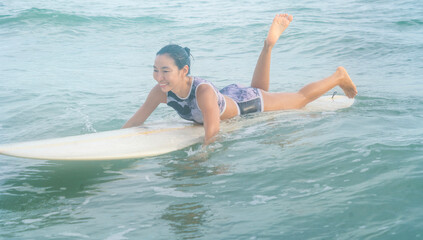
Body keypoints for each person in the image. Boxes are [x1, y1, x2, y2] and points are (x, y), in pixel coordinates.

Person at [122, 14, 357, 144]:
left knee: (300, 99)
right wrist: (114, 138)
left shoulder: (201, 91)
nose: (159, 77)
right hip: (229, 96)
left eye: (165, 71)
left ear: (184, 71)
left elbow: (212, 133)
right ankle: (268, 45)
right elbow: (135, 122)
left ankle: (338, 76)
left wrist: (200, 160)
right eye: (155, 70)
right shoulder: (160, 91)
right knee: (260, 90)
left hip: (246, 104)